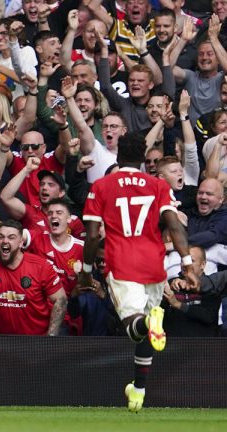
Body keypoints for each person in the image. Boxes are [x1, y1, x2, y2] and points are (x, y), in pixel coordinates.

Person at [78, 133, 199, 413]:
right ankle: (139, 390)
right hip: (154, 264)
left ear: (119, 157)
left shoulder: (102, 185)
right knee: (147, 333)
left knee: (135, 328)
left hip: (122, 262)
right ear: (144, 159)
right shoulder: (158, 185)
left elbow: (94, 235)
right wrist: (187, 264)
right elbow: (174, 226)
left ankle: (150, 322)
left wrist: (86, 271)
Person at [162, 246, 222, 337]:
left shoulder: (212, 285)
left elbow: (209, 316)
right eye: (183, 260)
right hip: (171, 346)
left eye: (191, 261)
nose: (185, 265)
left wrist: (179, 304)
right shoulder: (171, 285)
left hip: (204, 347)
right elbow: (158, 314)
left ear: (203, 264)